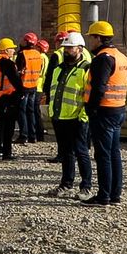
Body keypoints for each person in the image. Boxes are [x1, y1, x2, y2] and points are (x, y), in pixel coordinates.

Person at [83, 20, 127, 206]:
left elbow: (98, 87)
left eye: (91, 37)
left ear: (98, 38)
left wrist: (91, 109)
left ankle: (104, 196)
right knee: (114, 153)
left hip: (104, 111)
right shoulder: (120, 56)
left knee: (103, 155)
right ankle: (114, 194)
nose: (89, 42)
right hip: (118, 109)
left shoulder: (102, 58)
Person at [45, 31, 93, 199]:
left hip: (77, 118)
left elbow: (89, 95)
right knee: (66, 153)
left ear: (80, 48)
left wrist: (84, 116)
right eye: (65, 47)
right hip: (60, 117)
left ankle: (86, 187)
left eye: (70, 48)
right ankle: (66, 184)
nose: (66, 50)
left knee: (81, 152)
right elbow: (53, 90)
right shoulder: (59, 69)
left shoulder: (86, 69)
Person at [0, 38, 24, 160]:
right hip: (8, 97)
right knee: (8, 126)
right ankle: (7, 152)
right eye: (11, 48)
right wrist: (21, 91)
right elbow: (14, 79)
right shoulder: (7, 63)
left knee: (0, 125)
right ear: (6, 50)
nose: (14, 50)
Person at [16, 32, 47, 144]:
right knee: (31, 111)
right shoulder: (37, 54)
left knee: (22, 112)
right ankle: (32, 135)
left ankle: (23, 135)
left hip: (24, 86)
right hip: (34, 85)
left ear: (26, 41)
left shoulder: (22, 54)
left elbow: (19, 71)